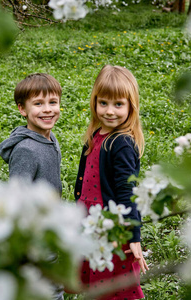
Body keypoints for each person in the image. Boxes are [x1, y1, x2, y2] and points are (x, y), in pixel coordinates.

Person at [74, 65, 149, 299]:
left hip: (112, 226)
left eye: (118, 104)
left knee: (114, 284)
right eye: (103, 103)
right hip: (92, 221)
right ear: (95, 102)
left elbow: (128, 191)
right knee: (96, 281)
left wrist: (134, 235)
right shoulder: (96, 136)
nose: (109, 111)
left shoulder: (121, 144)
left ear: (130, 106)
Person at [0, 73, 64, 300]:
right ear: (22, 109)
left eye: (52, 102)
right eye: (38, 104)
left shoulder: (50, 138)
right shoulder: (26, 150)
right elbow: (16, 198)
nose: (47, 109)